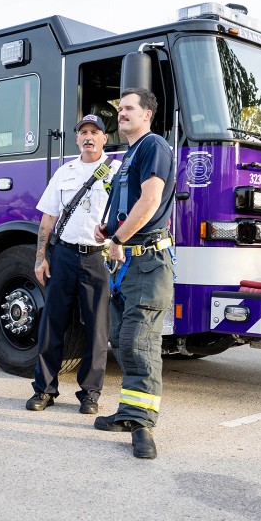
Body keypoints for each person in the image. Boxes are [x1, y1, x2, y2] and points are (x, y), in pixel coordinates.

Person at [92, 88, 176, 459]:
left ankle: (142, 427)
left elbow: (151, 200)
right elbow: (127, 204)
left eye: (129, 108)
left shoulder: (153, 145)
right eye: (120, 108)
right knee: (125, 341)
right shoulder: (129, 155)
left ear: (148, 114)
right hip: (127, 262)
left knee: (140, 344)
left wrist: (118, 239)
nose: (121, 113)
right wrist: (108, 229)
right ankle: (129, 413)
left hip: (146, 262)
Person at [25, 113, 118, 415]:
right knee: (52, 324)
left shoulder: (117, 171)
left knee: (97, 329)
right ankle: (44, 389)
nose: (89, 137)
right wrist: (41, 257)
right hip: (63, 255)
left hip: (97, 258)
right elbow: (48, 217)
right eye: (83, 132)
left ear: (105, 138)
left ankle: (90, 393)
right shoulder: (64, 172)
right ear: (77, 139)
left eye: (95, 132)